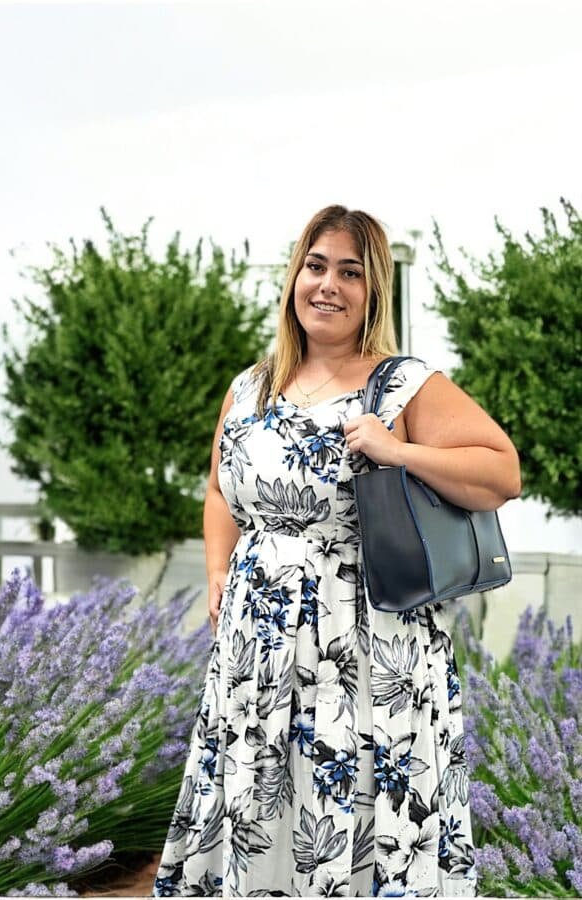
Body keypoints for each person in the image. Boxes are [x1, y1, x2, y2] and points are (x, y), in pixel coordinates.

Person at [153, 205, 521, 897]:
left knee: (354, 789)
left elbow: (501, 472)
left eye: (349, 273)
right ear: (294, 276)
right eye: (316, 266)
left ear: (372, 291)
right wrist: (216, 576)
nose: (328, 285)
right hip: (257, 642)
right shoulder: (249, 387)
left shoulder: (401, 382)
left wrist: (397, 448)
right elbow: (217, 490)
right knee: (264, 792)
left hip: (365, 639)